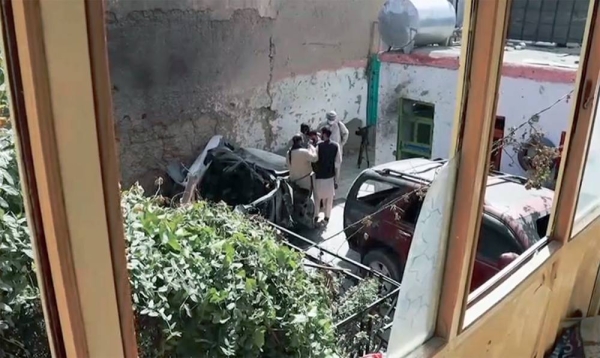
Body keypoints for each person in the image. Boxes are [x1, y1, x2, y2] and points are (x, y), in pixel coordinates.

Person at [313, 126, 342, 226]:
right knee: (329, 199)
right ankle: (327, 217)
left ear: (324, 134)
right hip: (330, 177)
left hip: (320, 176)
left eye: (321, 133)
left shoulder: (318, 146)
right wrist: (336, 180)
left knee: (317, 198)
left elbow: (314, 159)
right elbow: (338, 163)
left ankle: (316, 216)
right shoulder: (336, 146)